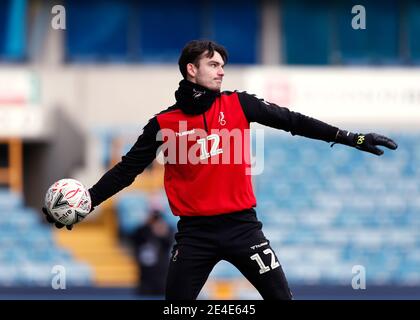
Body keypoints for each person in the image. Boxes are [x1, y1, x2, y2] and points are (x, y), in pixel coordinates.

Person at [43, 40, 398, 300]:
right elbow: (126, 170)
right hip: (194, 235)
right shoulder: (164, 123)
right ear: (191, 70)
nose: (222, 70)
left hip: (244, 229)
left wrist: (351, 137)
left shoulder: (239, 104)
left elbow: (294, 121)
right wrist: (87, 200)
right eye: (213, 64)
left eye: (222, 65)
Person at [130, 209, 174, 297]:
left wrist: (161, 232)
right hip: (145, 276)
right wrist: (147, 225)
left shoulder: (167, 230)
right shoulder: (143, 230)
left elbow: (168, 243)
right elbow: (134, 239)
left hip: (162, 276)